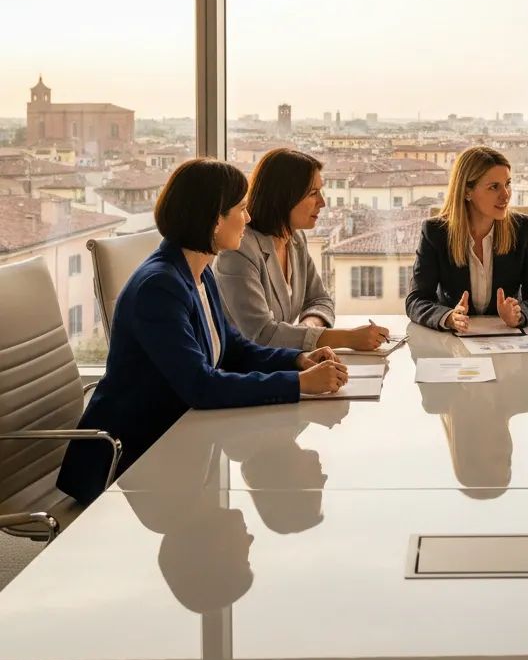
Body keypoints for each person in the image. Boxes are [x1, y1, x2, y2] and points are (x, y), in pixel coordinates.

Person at [57, 158, 348, 505]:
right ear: (214, 219)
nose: (249, 218)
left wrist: (300, 360)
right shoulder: (160, 287)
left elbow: (235, 349)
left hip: (178, 439)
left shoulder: (198, 271)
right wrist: (300, 385)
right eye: (241, 209)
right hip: (132, 459)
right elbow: (201, 386)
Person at [214, 148, 389, 352]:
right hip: (246, 374)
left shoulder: (295, 239)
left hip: (282, 363)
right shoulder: (239, 251)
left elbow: (320, 299)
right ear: (284, 197)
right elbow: (263, 335)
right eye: (313, 193)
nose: (322, 202)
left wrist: (309, 326)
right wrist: (347, 338)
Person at [405, 146, 528, 330]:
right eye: (494, 187)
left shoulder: (524, 229)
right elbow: (416, 300)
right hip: (453, 345)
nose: (505, 195)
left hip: (508, 343)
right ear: (467, 191)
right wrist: (449, 317)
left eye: (507, 184)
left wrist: (519, 314)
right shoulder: (435, 233)